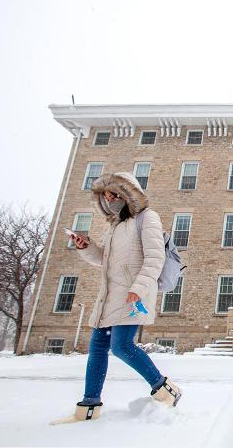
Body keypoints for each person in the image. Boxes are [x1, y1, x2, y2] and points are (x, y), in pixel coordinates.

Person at [51, 172, 182, 425]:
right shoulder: (115, 227)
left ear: (127, 194)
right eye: (105, 196)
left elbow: (155, 258)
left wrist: (139, 288)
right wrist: (85, 246)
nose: (109, 199)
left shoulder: (147, 218)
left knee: (121, 346)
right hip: (110, 296)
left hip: (132, 295)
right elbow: (106, 261)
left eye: (113, 194)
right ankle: (89, 406)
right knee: (98, 348)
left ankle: (166, 389)